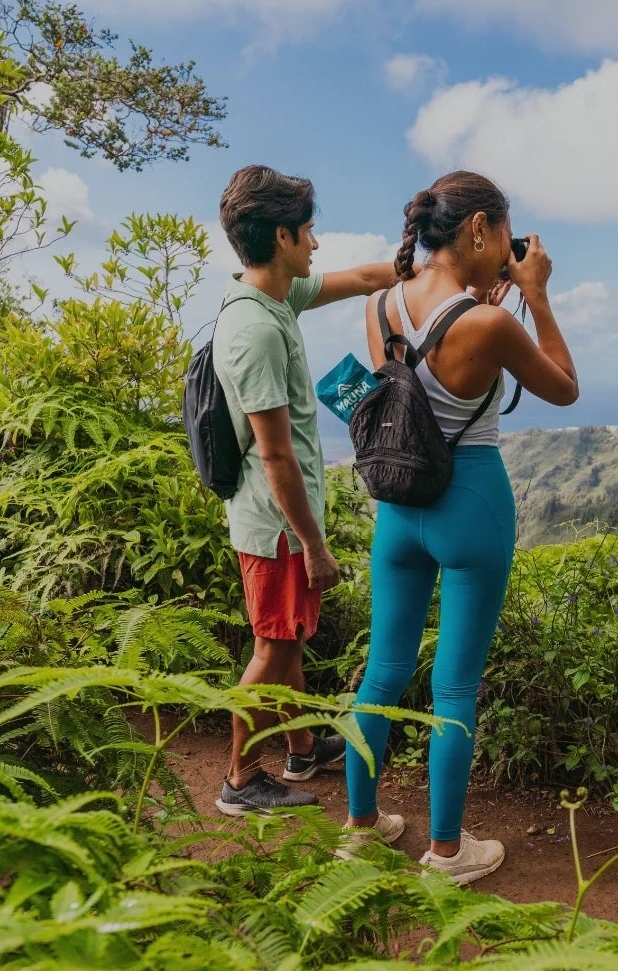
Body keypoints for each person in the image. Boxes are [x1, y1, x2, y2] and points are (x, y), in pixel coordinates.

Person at [344, 171, 579, 883]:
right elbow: (563, 388)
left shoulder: (381, 304)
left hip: (399, 503)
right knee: (453, 688)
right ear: (478, 230)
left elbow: (408, 376)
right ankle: (446, 851)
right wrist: (534, 296)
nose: (511, 250)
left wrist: (481, 303)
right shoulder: (491, 322)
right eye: (505, 237)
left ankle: (359, 827)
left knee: (381, 671)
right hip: (470, 503)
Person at [211, 165, 405, 817]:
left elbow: (361, 281)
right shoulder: (257, 330)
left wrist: (424, 269)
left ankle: (297, 748)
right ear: (282, 236)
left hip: (277, 521)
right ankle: (239, 780)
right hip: (276, 525)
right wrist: (313, 545)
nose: (317, 245)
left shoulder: (273, 299)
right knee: (272, 649)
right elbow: (274, 455)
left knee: (288, 639)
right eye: (310, 232)